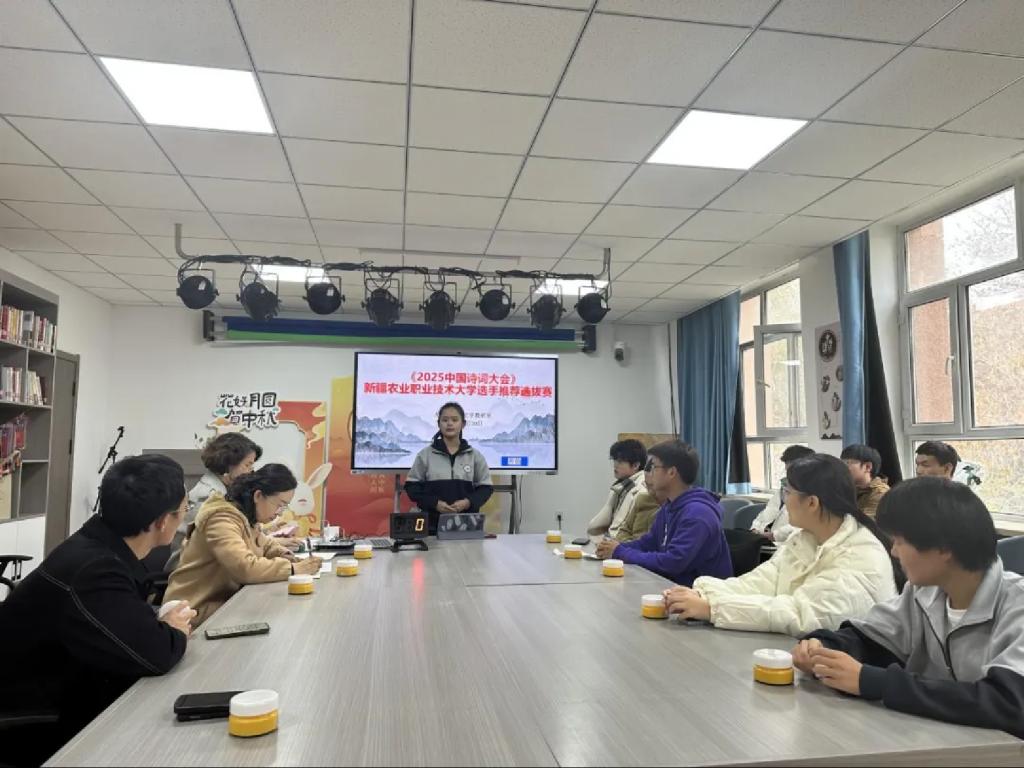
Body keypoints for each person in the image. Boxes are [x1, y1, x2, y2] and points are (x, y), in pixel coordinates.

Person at [0, 455, 197, 766]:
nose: (185, 516)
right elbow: (155, 654)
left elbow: (119, 620)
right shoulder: (96, 569)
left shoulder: (94, 546)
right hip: (35, 715)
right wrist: (173, 629)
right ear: (162, 521)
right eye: (185, 510)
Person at [792, 477, 1024, 739]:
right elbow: (872, 639)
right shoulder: (925, 592)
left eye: (900, 541)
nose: (893, 552)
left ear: (943, 548)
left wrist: (875, 682)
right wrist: (823, 648)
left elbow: (1008, 704)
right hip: (940, 742)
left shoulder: (1016, 605)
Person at [664, 454, 898, 636]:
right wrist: (703, 593)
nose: (784, 500)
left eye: (788, 492)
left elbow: (802, 615)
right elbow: (763, 581)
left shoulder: (860, 554)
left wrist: (712, 608)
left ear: (812, 503)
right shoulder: (806, 538)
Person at [164, 464, 321, 626]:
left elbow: (264, 544)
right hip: (191, 612)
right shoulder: (221, 518)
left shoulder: (246, 516)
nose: (279, 513)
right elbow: (244, 568)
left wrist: (285, 554)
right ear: (258, 495)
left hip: (220, 603)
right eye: (279, 505)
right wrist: (293, 569)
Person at [596, 440, 732, 585]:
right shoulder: (669, 507)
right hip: (671, 587)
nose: (648, 473)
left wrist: (620, 552)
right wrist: (615, 547)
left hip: (699, 594)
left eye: (653, 467)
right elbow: (648, 543)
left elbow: (672, 563)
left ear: (671, 472)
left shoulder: (698, 515)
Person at [404, 402, 493, 535]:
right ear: (439, 424)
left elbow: (486, 488)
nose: (449, 423)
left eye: (455, 420)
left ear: (463, 424)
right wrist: (434, 503)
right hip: (431, 526)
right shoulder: (425, 455)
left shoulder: (474, 456)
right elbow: (412, 487)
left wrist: (467, 502)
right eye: (445, 420)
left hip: (467, 525)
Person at [587, 439, 651, 540]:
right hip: (610, 542)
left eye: (620, 461)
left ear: (635, 465)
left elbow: (635, 537)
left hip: (621, 545)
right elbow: (597, 526)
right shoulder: (621, 487)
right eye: (614, 460)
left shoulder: (642, 491)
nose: (615, 465)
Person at [750, 445, 815, 543]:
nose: (789, 475)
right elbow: (766, 513)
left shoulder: (814, 492)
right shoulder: (783, 489)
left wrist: (773, 535)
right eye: (787, 470)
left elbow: (803, 525)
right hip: (766, 541)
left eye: (793, 470)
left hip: (788, 543)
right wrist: (755, 529)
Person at [614, 456, 663, 543]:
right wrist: (627, 545)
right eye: (646, 485)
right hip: (629, 546)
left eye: (652, 486)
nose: (649, 491)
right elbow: (624, 530)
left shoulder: (668, 508)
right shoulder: (642, 498)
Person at [840, 444, 889, 519]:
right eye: (842, 463)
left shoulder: (880, 493)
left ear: (867, 467)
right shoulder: (848, 490)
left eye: (848, 463)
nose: (842, 468)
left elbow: (865, 523)